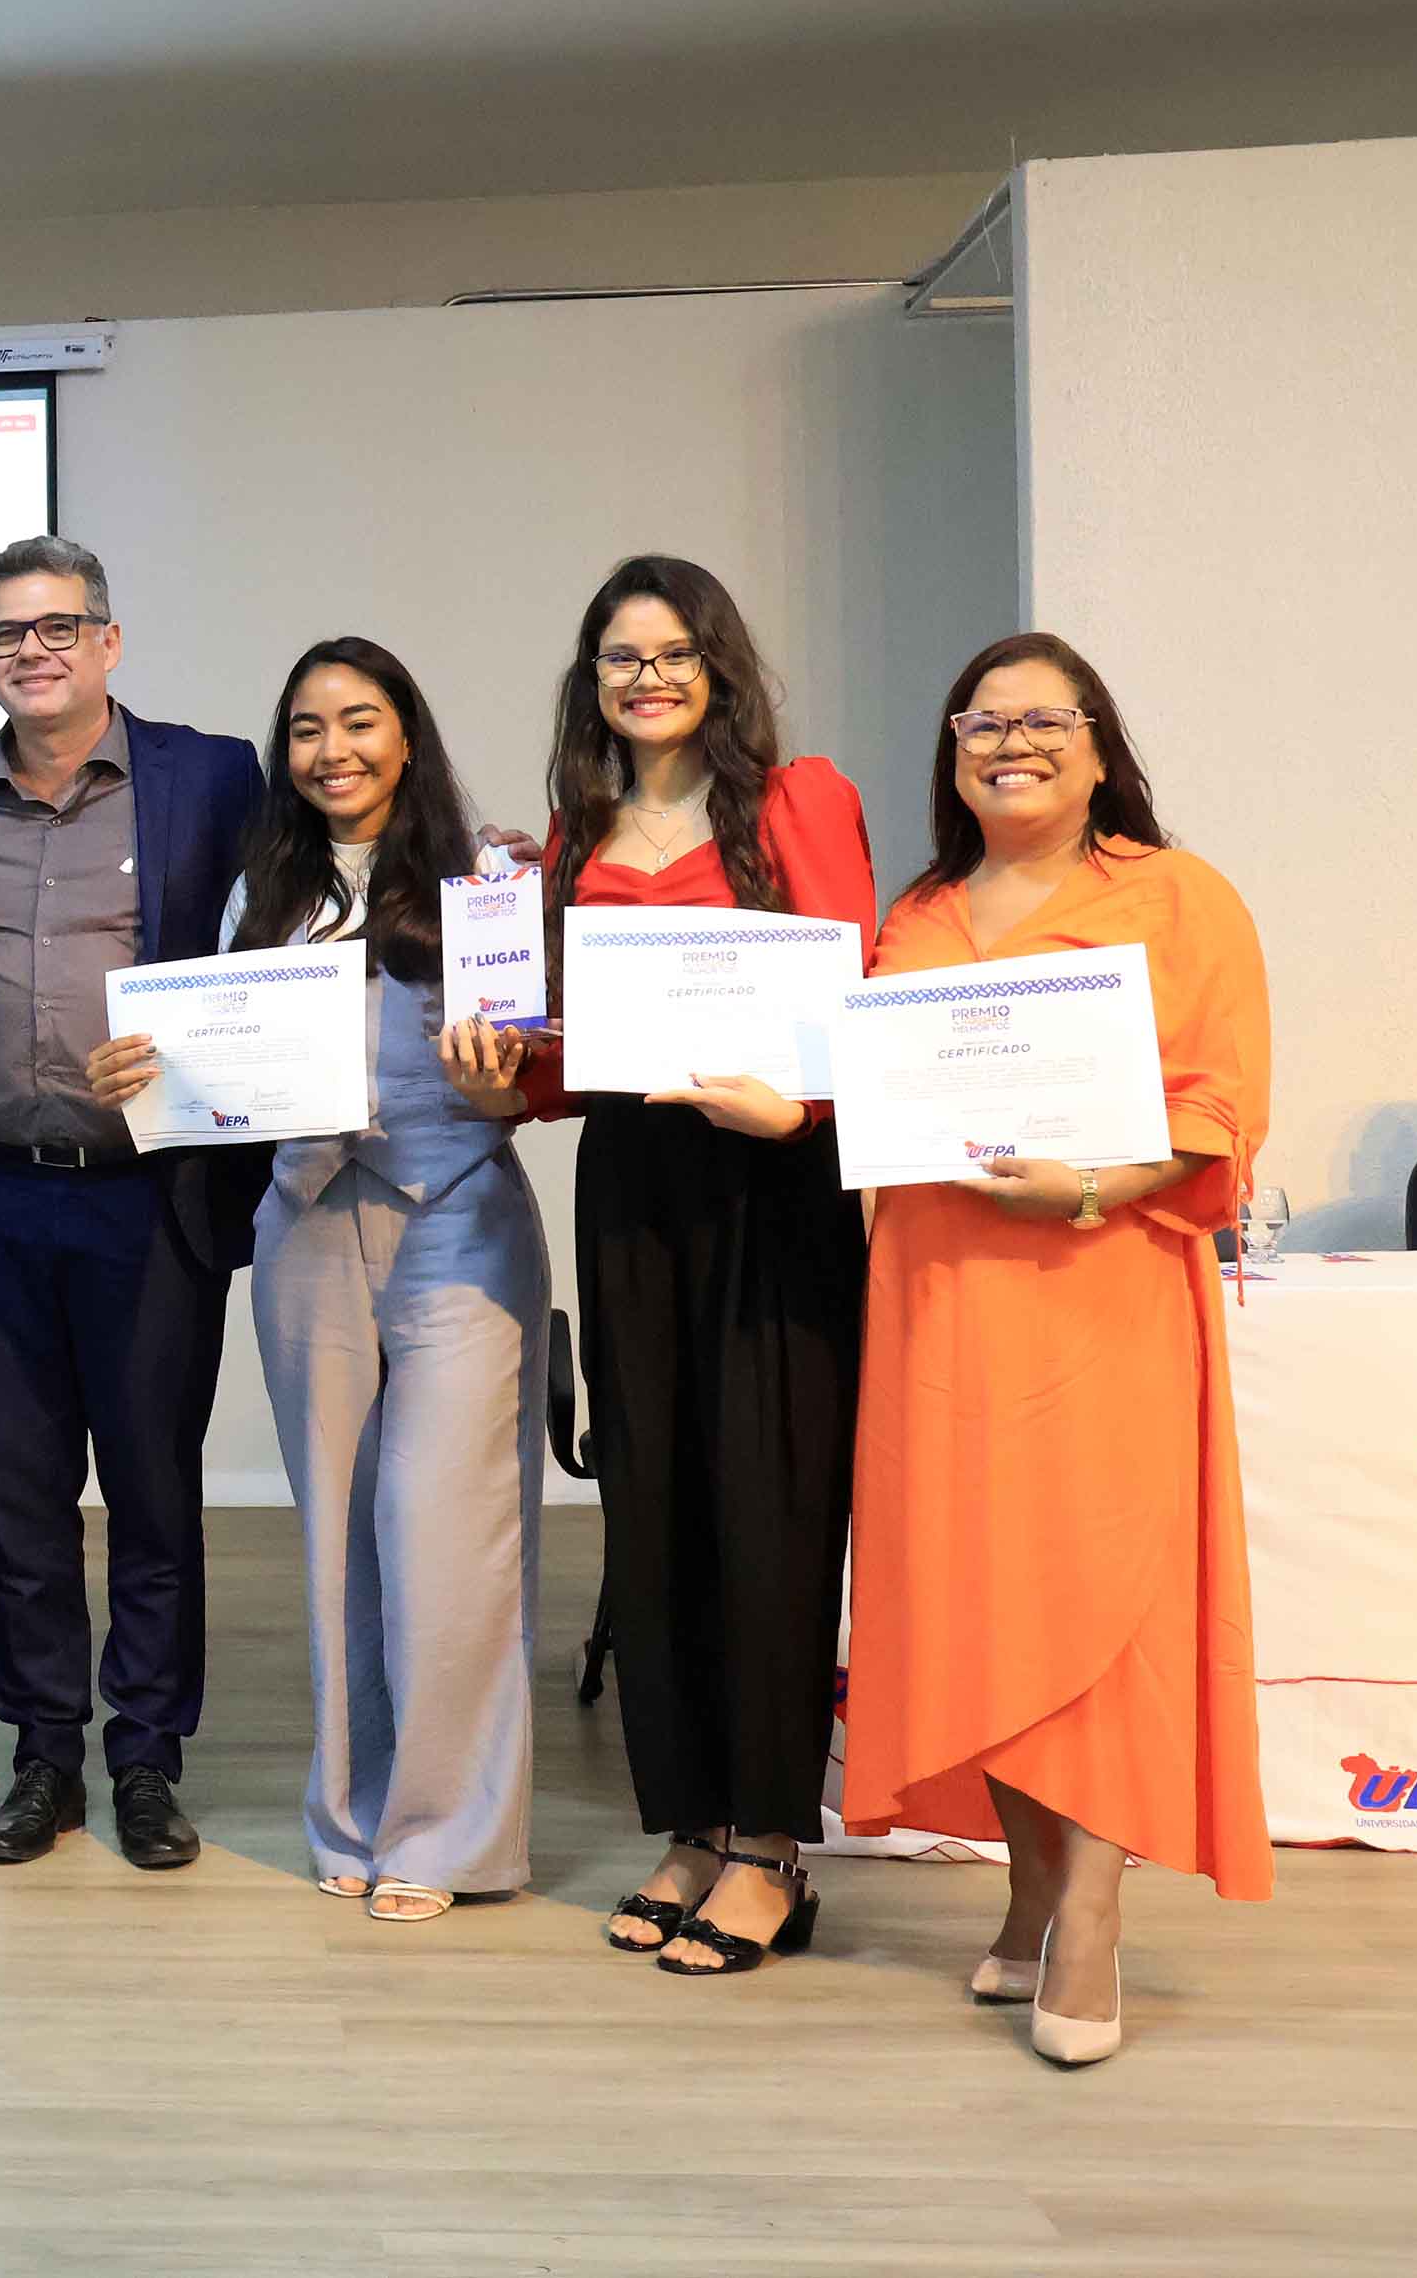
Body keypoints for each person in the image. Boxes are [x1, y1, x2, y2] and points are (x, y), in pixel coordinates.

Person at [840, 634, 1271, 2064]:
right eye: (981, 721)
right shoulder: (915, 914)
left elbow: (1216, 1105)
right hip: (936, 1304)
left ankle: (1089, 1915)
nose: (1010, 743)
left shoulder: (1175, 895)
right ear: (950, 750)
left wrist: (1088, 1184)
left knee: (1094, 1607)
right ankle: (1027, 1893)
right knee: (979, 1603)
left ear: (1096, 748)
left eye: (1043, 720)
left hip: (1098, 1290)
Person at [457, 553, 874, 1976]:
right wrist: (494, 1068)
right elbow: (556, 1071)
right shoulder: (563, 843)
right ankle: (691, 1823)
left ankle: (772, 1846)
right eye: (620, 656)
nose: (647, 677)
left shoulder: (798, 799)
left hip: (772, 1181)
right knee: (651, 1510)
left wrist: (796, 1114)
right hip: (631, 1184)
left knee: (768, 1511)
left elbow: (850, 1001)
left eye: (673, 651)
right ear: (591, 680)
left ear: (718, 666)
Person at [90, 641, 548, 1920]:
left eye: (359, 721)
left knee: (444, 1533)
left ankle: (447, 1838)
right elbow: (225, 1090)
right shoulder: (262, 887)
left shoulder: (487, 877)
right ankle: (352, 1815)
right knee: (337, 1534)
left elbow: (519, 1093)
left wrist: (491, 1082)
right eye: (305, 727)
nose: (331, 749)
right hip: (304, 1226)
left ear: (407, 735)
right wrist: (150, 1078)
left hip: (457, 1216)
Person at [0, 537, 265, 1871]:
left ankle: (147, 1757)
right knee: (21, 1499)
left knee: (154, 1494)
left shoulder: (206, 774)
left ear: (107, 641)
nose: (33, 650)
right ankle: (44, 1755)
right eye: (7, 632)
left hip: (146, 1197)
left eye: (57, 626)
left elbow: (271, 940)